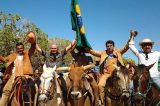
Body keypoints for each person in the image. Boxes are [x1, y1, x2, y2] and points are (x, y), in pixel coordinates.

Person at [85, 33, 133, 105]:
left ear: (113, 46)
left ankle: (126, 102)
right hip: (106, 74)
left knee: (127, 86)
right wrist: (85, 46)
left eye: (110, 46)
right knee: (100, 86)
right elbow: (93, 52)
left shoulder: (118, 52)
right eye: (107, 46)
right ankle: (103, 102)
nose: (109, 47)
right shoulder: (103, 53)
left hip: (118, 74)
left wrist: (131, 37)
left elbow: (126, 47)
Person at [0, 31, 36, 106]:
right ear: (16, 49)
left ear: (23, 48)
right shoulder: (12, 55)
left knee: (37, 88)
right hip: (15, 76)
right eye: (18, 48)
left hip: (27, 75)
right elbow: (4, 59)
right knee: (6, 90)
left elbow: (32, 48)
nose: (20, 50)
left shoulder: (27, 54)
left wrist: (33, 41)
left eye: (21, 48)